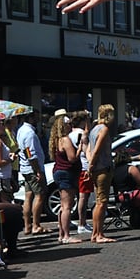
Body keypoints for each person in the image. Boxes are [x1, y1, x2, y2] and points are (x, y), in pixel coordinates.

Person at [49, 113, 82, 244]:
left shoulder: (56, 140)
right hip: (67, 173)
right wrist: (79, 149)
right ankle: (66, 235)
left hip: (59, 172)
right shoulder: (65, 140)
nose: (70, 126)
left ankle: (61, 234)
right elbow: (72, 158)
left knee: (63, 206)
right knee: (67, 206)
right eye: (68, 124)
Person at [87, 104, 116, 243]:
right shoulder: (103, 129)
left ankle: (95, 233)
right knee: (102, 202)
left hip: (97, 168)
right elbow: (97, 150)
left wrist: (90, 164)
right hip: (102, 168)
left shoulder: (93, 129)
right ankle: (99, 234)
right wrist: (91, 165)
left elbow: (88, 149)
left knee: (98, 201)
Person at [17, 111, 49, 235]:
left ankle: (27, 225)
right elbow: (30, 153)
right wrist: (37, 170)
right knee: (39, 195)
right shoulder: (29, 133)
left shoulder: (21, 130)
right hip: (32, 169)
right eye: (36, 117)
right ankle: (35, 225)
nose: (38, 119)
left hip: (25, 168)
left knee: (28, 196)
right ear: (30, 118)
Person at [70, 111, 93, 235]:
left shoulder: (71, 134)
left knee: (82, 196)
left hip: (78, 168)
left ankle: (82, 222)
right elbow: (86, 151)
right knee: (84, 196)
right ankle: (81, 223)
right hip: (84, 167)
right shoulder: (81, 135)